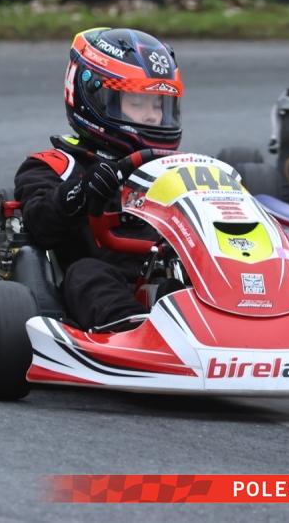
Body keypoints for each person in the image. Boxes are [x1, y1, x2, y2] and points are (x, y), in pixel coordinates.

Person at [14, 27, 183, 331]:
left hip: (161, 280)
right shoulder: (55, 166)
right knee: (86, 273)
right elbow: (39, 222)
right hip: (94, 290)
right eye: (137, 103)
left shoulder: (176, 169)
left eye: (158, 105)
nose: (151, 116)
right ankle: (133, 333)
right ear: (96, 99)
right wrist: (81, 191)